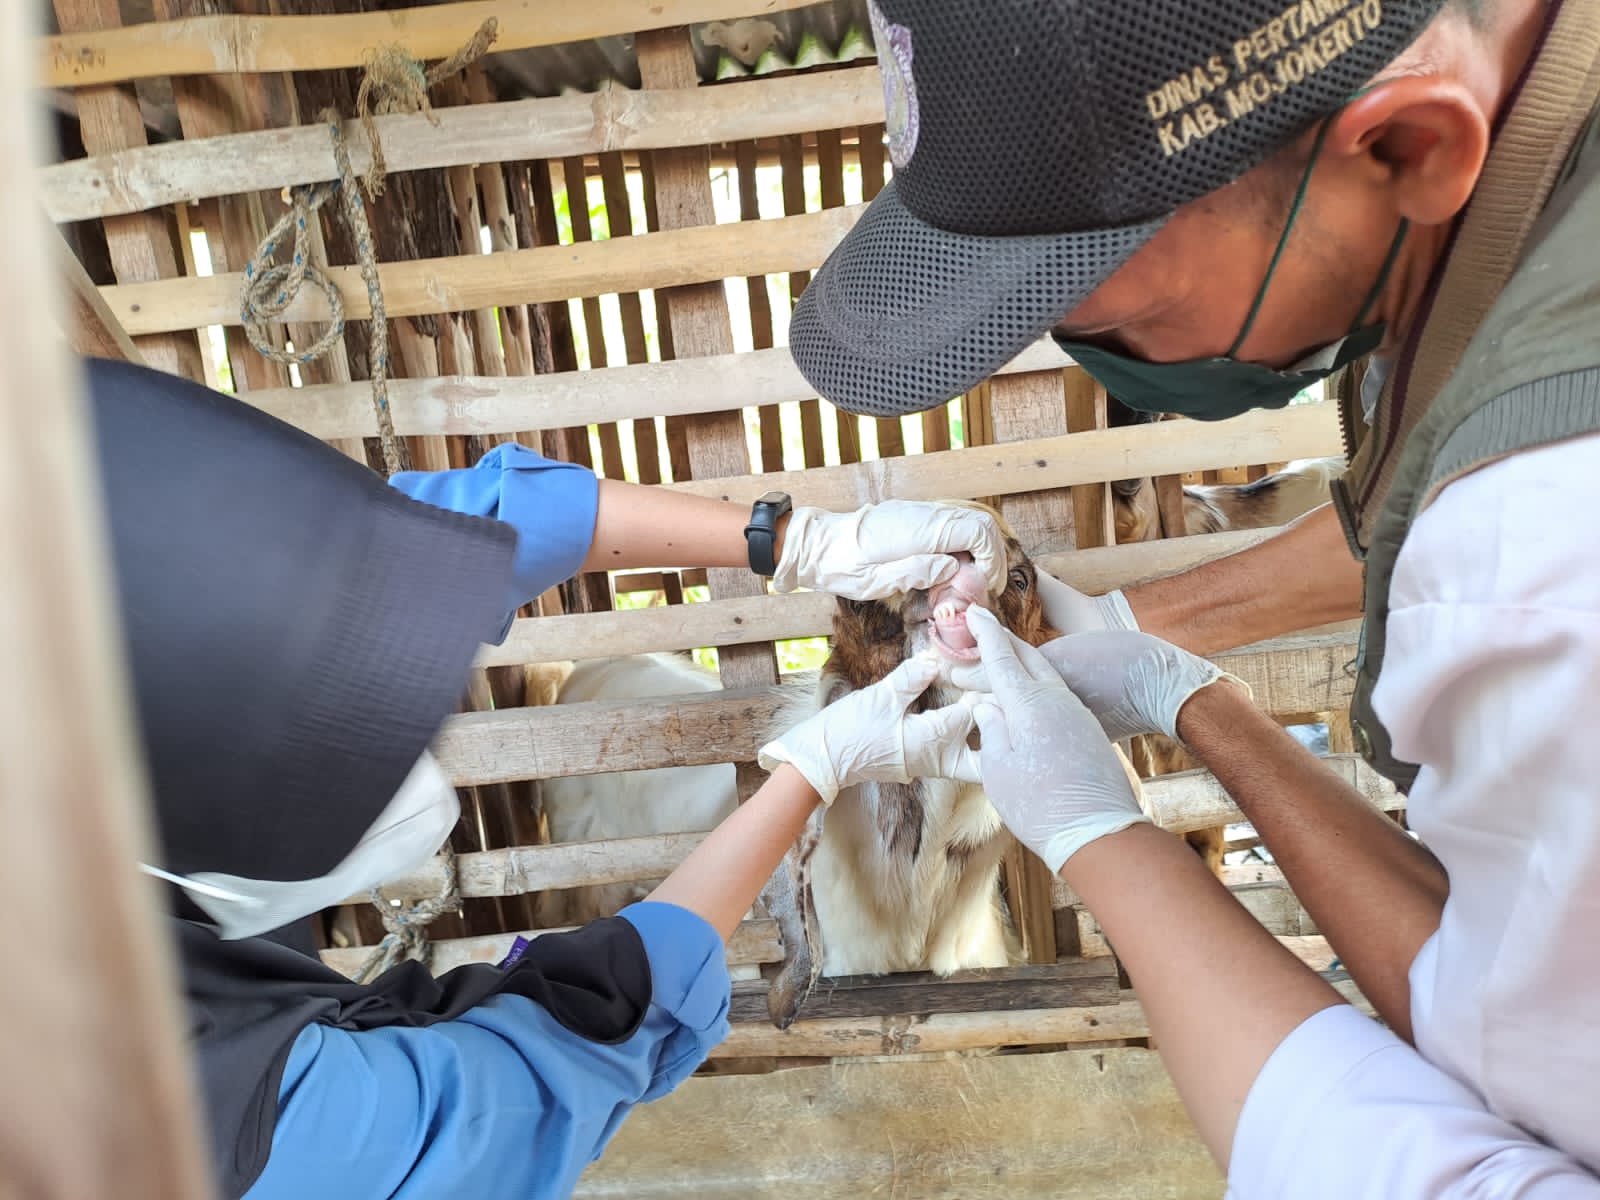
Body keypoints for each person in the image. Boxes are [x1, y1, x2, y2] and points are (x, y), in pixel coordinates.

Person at [791, 0, 1600, 1192]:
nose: (1087, 347)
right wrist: (1169, 672)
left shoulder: (1544, 553)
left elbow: (1507, 1131)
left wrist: (1100, 839)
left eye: (1115, 309)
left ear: (1405, 147)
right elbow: (1413, 508)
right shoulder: (1514, 227)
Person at [90, 357, 986, 1200]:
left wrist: (796, 540)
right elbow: (552, 1062)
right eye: (336, 746)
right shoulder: (245, 1124)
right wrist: (813, 773)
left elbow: (362, 537)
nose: (415, 752)